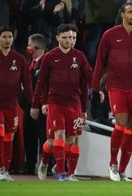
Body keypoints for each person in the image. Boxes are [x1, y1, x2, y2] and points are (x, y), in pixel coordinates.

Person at [91, 2, 132, 182]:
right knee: (120, 121)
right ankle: (112, 163)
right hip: (116, 86)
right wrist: (95, 87)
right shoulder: (110, 36)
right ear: (122, 14)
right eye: (129, 12)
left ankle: (121, 170)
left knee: (131, 128)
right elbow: (99, 63)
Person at [30, 24, 92, 182]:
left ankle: (66, 171)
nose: (69, 41)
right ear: (57, 38)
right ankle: (61, 173)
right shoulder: (50, 57)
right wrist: (37, 104)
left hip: (75, 104)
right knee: (59, 135)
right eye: (65, 37)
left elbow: (87, 81)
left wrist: (96, 92)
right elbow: (41, 83)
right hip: (55, 102)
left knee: (71, 140)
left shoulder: (80, 57)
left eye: (71, 38)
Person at [0, 27, 32, 181]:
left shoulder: (19, 59)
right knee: (0, 135)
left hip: (11, 105)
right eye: (4, 36)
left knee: (8, 138)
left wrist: (34, 103)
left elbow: (27, 84)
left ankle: (4, 171)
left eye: (10, 36)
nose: (7, 39)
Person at [22, 33, 47, 175]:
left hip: (41, 108)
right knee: (29, 137)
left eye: (29, 45)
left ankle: (46, 166)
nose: (27, 48)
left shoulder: (46, 62)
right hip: (28, 107)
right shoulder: (30, 63)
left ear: (36, 48)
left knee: (43, 137)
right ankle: (29, 166)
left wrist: (38, 105)